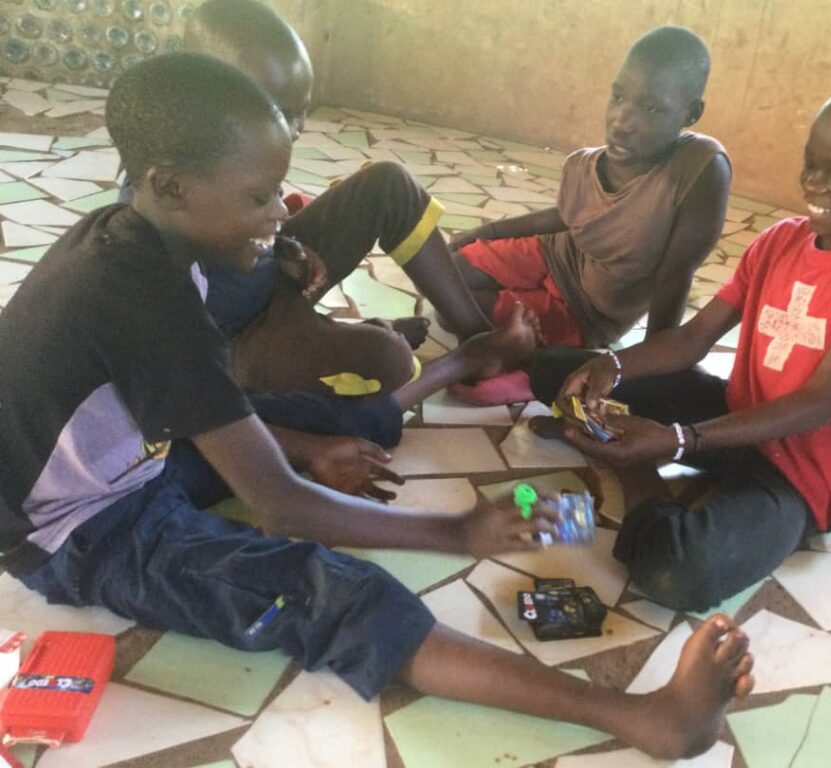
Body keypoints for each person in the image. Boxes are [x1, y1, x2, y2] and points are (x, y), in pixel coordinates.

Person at [0, 53, 753, 762]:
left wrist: (298, 425)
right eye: (259, 199)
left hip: (135, 456)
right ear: (167, 186)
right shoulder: (146, 302)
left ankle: (464, 361)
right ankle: (647, 719)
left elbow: (211, 409)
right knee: (337, 593)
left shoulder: (139, 239)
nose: (277, 219)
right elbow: (282, 508)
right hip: (80, 530)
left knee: (322, 423)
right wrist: (456, 532)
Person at [529, 71, 831, 612]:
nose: (814, 184)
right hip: (736, 420)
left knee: (676, 572)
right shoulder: (783, 239)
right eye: (811, 163)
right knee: (555, 371)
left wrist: (677, 442)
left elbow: (819, 403)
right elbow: (693, 339)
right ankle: (635, 444)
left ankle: (633, 467)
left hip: (799, 474)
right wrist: (613, 364)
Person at [183, 0, 496, 398]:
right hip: (240, 341)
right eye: (280, 111)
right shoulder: (171, 184)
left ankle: (478, 334)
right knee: (388, 360)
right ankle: (458, 358)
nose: (296, 129)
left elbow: (246, 235)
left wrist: (284, 247)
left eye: (303, 110)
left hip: (272, 286)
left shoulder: (249, 151)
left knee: (388, 185)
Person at [448, 26, 730, 352]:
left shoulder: (699, 171)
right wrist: (489, 231)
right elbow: (567, 218)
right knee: (449, 277)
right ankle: (514, 333)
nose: (621, 121)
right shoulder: (588, 166)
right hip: (552, 254)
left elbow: (675, 276)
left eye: (651, 108)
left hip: (586, 313)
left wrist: (650, 368)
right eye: (619, 96)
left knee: (459, 313)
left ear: (691, 113)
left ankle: (512, 344)